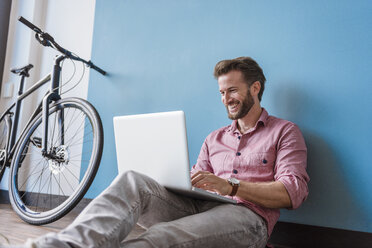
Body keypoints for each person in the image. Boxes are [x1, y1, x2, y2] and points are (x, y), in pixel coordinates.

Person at [3, 57, 309, 248]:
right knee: (133, 180)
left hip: (248, 219)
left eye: (232, 90)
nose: (226, 98)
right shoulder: (214, 139)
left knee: (163, 238)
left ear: (255, 88)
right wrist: (188, 181)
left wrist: (231, 187)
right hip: (200, 207)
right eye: (221, 92)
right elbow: (195, 179)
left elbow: (292, 193)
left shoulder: (284, 132)